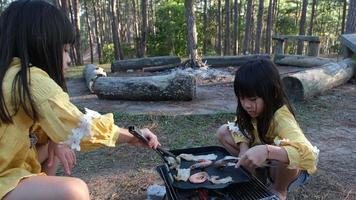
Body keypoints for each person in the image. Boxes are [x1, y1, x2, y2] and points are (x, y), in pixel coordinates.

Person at [0, 1, 160, 200]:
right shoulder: (29, 79)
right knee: (74, 191)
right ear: (41, 43)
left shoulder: (9, 74)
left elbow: (52, 130)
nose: (68, 59)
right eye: (65, 50)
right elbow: (80, 126)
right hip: (5, 176)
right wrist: (129, 136)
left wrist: (56, 141)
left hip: (12, 167)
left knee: (56, 142)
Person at [216, 58, 319, 200]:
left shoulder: (281, 118)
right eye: (242, 98)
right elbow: (238, 125)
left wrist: (267, 150)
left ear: (273, 93)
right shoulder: (251, 110)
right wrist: (243, 147)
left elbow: (310, 155)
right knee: (223, 131)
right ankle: (256, 174)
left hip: (287, 171)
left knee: (287, 153)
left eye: (252, 99)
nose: (246, 105)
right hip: (267, 163)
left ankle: (279, 190)